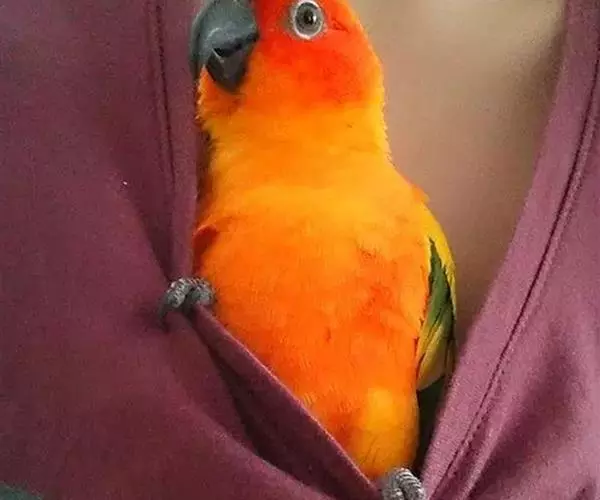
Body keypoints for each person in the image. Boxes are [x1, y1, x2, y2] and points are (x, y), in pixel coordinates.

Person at [1, 0, 598, 498]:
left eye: (306, 19)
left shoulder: (415, 235)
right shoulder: (199, 212)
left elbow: (428, 387)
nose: (241, 21)